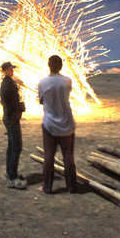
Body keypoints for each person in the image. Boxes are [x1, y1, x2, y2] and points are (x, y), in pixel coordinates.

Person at [38, 55, 77, 194]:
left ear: (48, 65)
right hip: (67, 123)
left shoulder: (42, 82)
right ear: (61, 66)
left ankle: (47, 187)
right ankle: (72, 186)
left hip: (49, 124)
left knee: (48, 155)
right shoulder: (68, 81)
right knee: (68, 155)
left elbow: (41, 100)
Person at [0, 61, 27, 189]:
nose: (12, 70)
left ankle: (10, 172)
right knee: (16, 147)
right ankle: (12, 178)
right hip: (11, 118)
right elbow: (8, 101)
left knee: (12, 146)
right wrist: (19, 108)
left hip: (10, 117)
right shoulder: (7, 84)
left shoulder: (8, 82)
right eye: (10, 69)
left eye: (12, 68)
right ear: (5, 70)